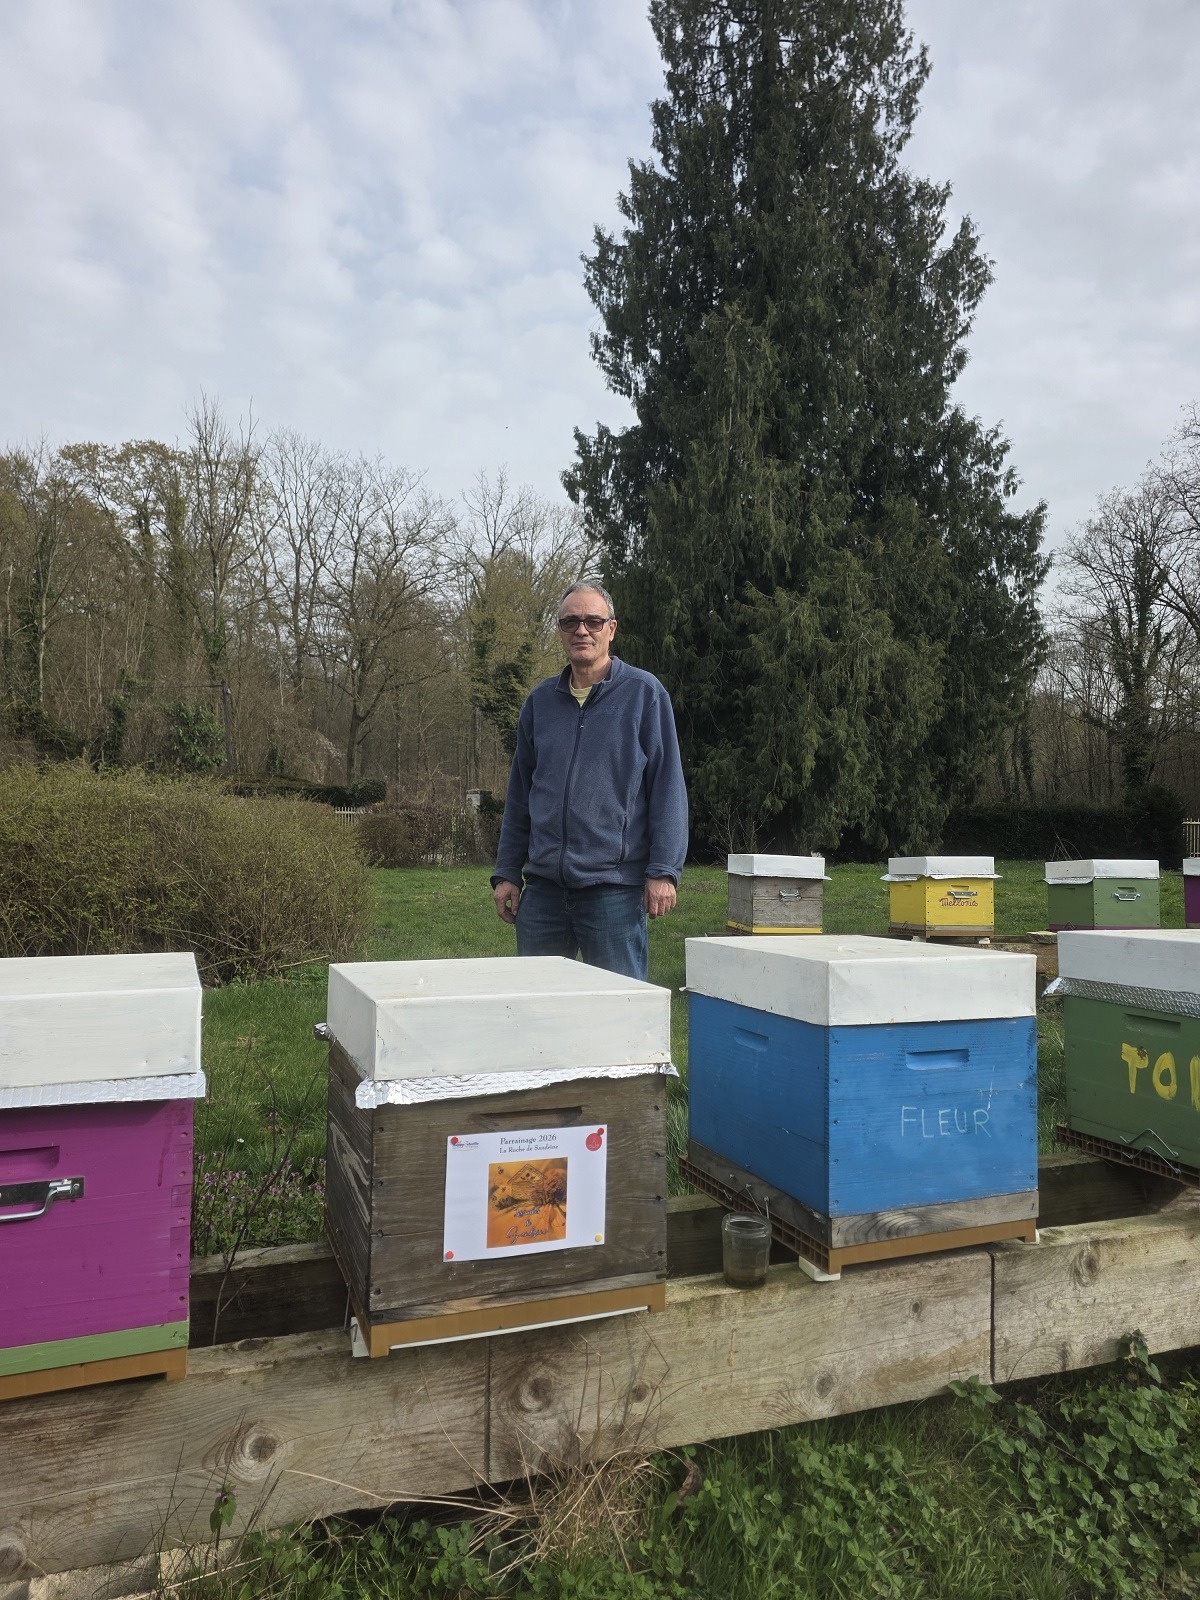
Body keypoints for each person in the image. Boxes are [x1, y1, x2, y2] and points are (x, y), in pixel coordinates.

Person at [490, 579, 688, 980]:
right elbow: (520, 796)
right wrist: (507, 871)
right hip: (543, 892)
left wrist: (664, 869)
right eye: (570, 622)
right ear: (560, 631)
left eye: (593, 621)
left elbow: (668, 787)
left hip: (612, 890)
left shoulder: (644, 695)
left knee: (621, 1015)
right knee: (537, 1013)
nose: (582, 630)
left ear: (611, 629)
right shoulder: (539, 703)